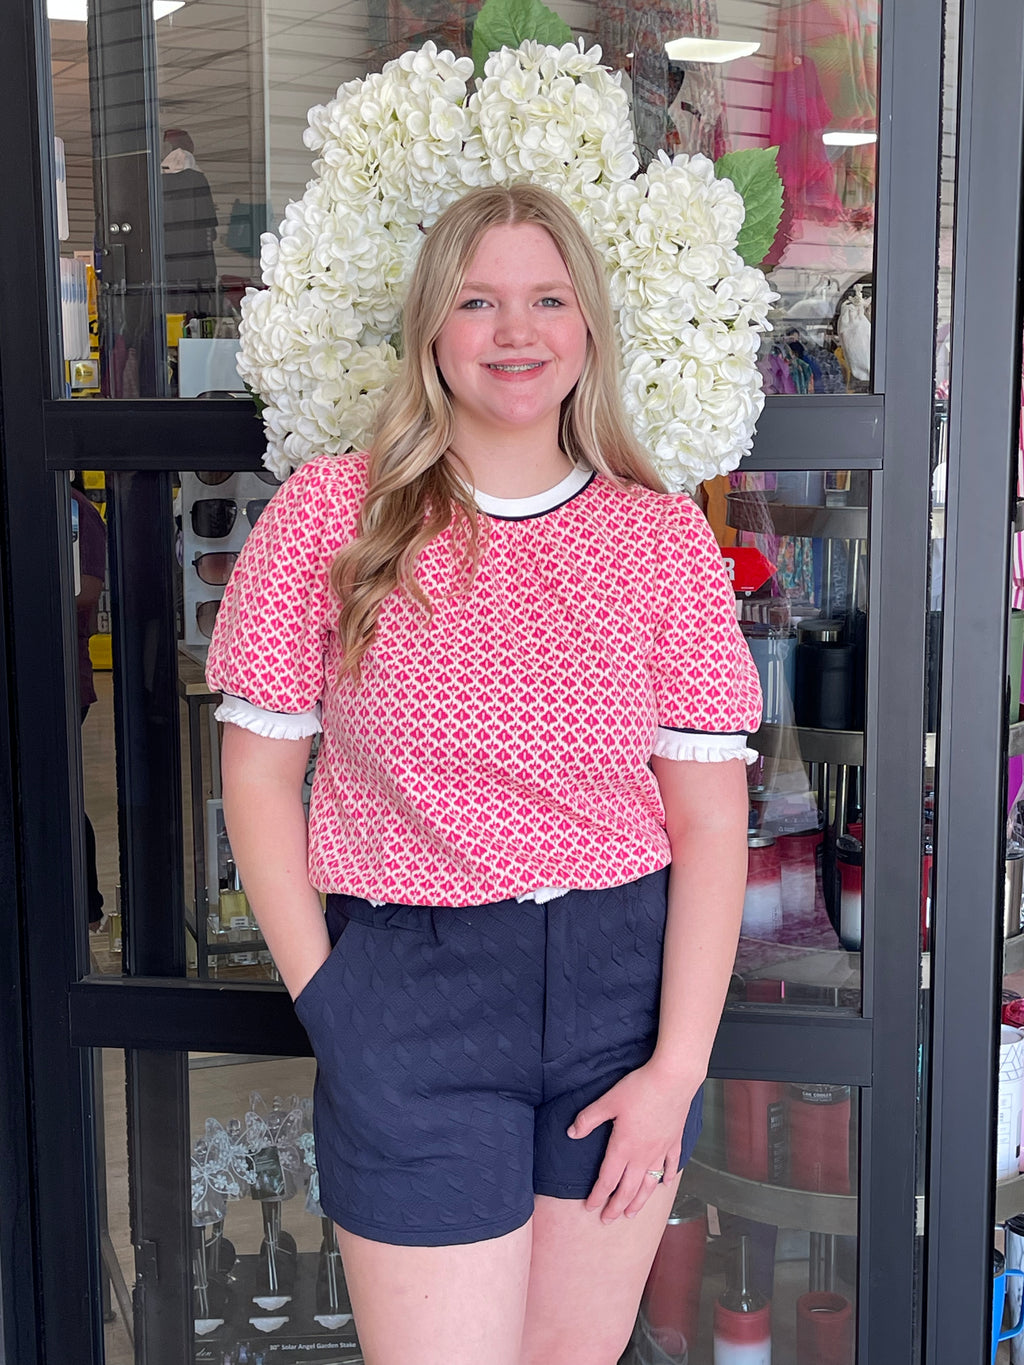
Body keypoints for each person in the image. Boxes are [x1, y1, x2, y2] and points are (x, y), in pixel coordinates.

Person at [206, 183, 761, 1365]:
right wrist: (334, 1004)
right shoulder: (330, 520)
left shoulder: (659, 539)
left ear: (588, 328)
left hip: (620, 999)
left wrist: (675, 1069)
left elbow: (711, 819)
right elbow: (257, 778)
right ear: (432, 331)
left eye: (547, 299)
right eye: (479, 300)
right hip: (408, 988)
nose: (516, 331)